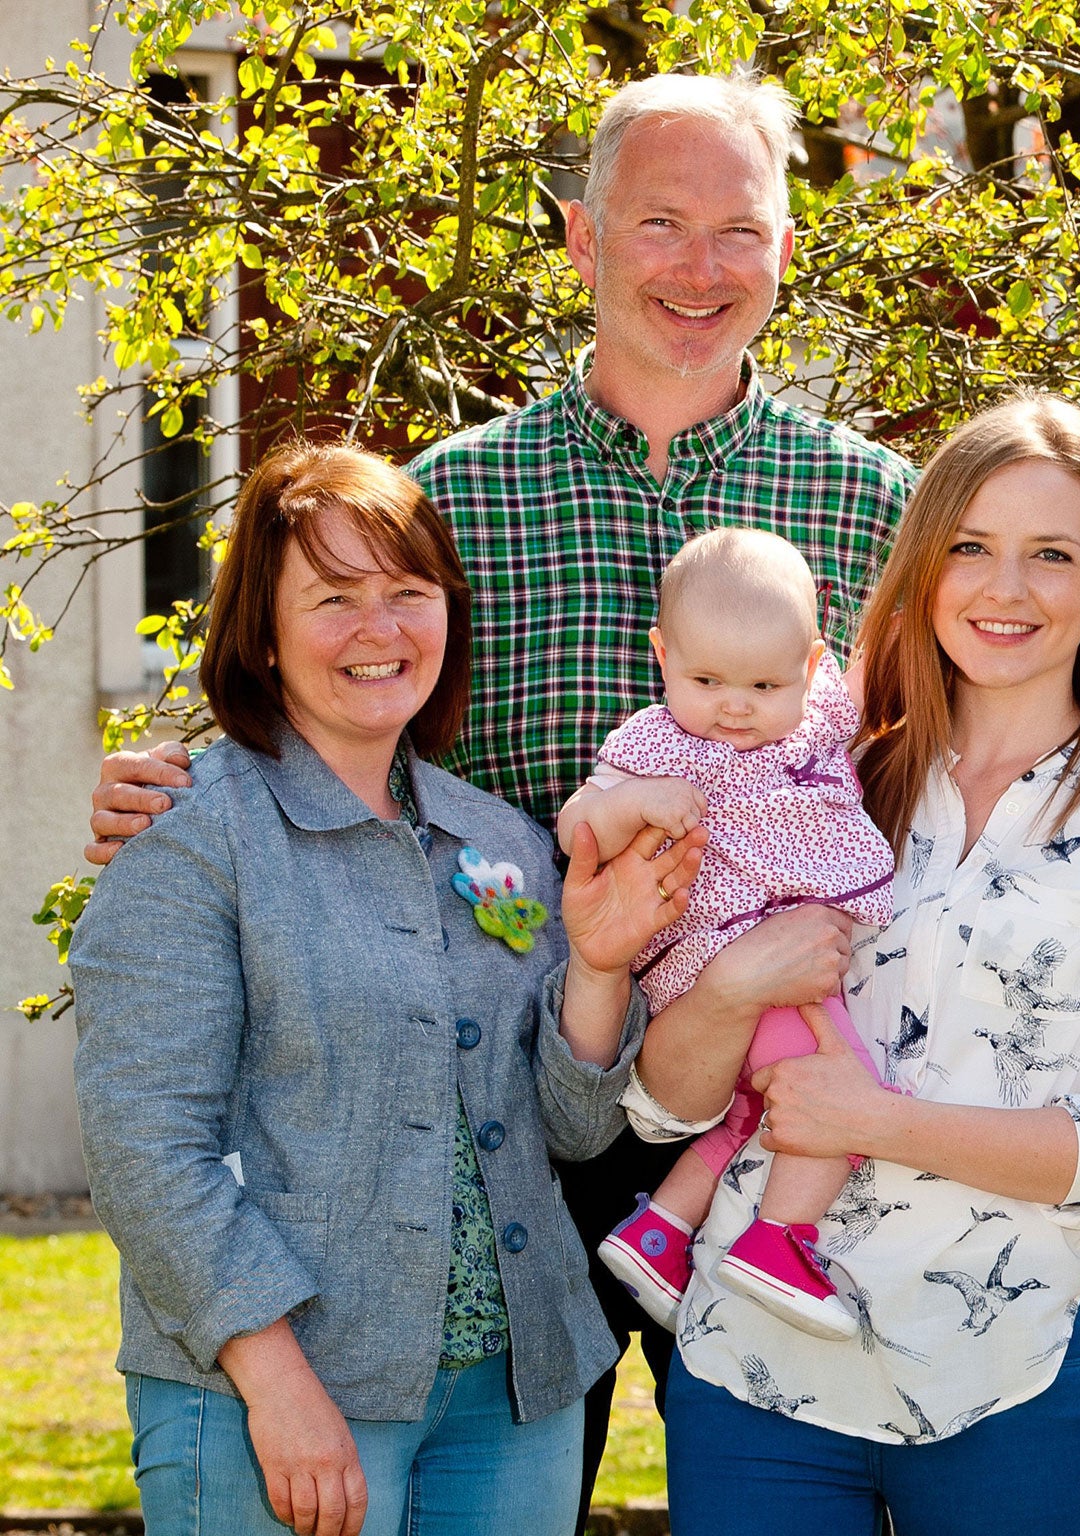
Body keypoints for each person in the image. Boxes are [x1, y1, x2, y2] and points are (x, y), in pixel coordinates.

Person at [83, 71, 914, 1517]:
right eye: (660, 222)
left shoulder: (883, 509)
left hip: (791, 1112)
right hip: (524, 1119)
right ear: (583, 242)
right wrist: (167, 779)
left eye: (741, 228)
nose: (701, 267)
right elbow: (332, 690)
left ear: (789, 247)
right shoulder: (451, 498)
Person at [623, 394, 1080, 1535]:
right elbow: (665, 1108)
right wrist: (731, 986)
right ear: (922, 567)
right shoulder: (809, 773)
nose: (1003, 589)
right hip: (753, 1387)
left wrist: (876, 1119)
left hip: (1005, 1388)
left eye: (1049, 555)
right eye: (970, 548)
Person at [68, 442, 700, 1536]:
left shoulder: (499, 842)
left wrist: (597, 964)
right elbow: (145, 1149)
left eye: (409, 594)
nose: (380, 628)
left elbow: (574, 1129)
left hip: (514, 1397)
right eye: (333, 598)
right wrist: (277, 1384)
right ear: (262, 633)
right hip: (281, 1390)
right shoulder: (192, 836)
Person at [558, 529, 896, 1339]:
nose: (735, 706)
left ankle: (658, 1234)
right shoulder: (659, 745)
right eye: (706, 679)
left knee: (756, 1118)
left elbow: (880, 661)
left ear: (810, 668)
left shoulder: (816, 720)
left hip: (784, 957)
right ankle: (779, 1246)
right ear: (663, 655)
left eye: (763, 684)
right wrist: (632, 805)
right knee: (838, 1097)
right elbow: (576, 820)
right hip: (719, 955)